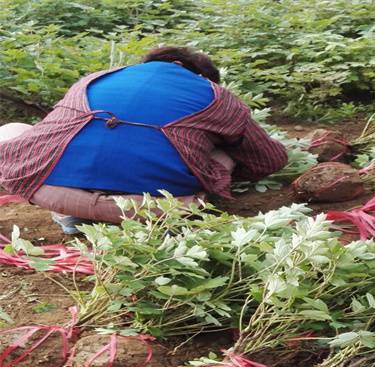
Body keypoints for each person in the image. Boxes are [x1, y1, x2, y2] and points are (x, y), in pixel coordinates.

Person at [0, 46, 288, 233]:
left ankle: (70, 216)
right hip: (155, 207)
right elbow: (269, 159)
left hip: (47, 192)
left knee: (13, 129)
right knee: (227, 152)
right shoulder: (215, 96)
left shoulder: (95, 78)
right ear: (204, 77)